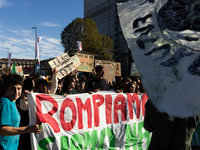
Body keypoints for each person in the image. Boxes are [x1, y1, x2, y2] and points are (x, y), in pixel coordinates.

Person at [0, 73, 42, 150]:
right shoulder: (5, 102)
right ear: (6, 88)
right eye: (13, 89)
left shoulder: (12, 102)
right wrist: (27, 129)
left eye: (19, 89)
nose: (16, 92)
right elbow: (2, 130)